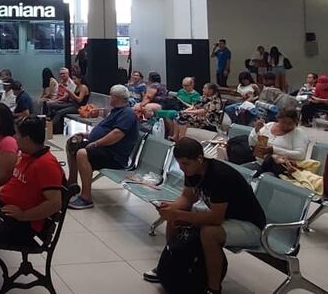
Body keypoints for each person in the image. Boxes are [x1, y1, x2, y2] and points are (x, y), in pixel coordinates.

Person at [143, 138, 266, 294]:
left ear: (199, 159)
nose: (182, 168)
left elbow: (215, 219)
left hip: (250, 226)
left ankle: (213, 289)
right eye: (179, 164)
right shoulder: (193, 170)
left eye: (185, 164)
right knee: (175, 219)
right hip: (227, 218)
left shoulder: (220, 176)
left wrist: (177, 213)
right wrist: (171, 209)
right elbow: (187, 197)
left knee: (209, 233)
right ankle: (170, 264)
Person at [0, 116, 63, 293]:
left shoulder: (46, 165)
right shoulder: (27, 155)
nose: (15, 138)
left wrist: (24, 215)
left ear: (27, 138)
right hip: (2, 208)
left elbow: (55, 203)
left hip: (20, 224)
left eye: (18, 135)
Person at [67, 84, 139, 209]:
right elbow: (105, 130)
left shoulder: (127, 113)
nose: (109, 98)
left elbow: (116, 135)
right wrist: (87, 135)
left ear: (117, 97)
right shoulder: (116, 111)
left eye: (111, 96)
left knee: (82, 153)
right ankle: (72, 185)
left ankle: (86, 198)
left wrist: (96, 143)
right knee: (72, 144)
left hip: (115, 156)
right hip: (104, 149)